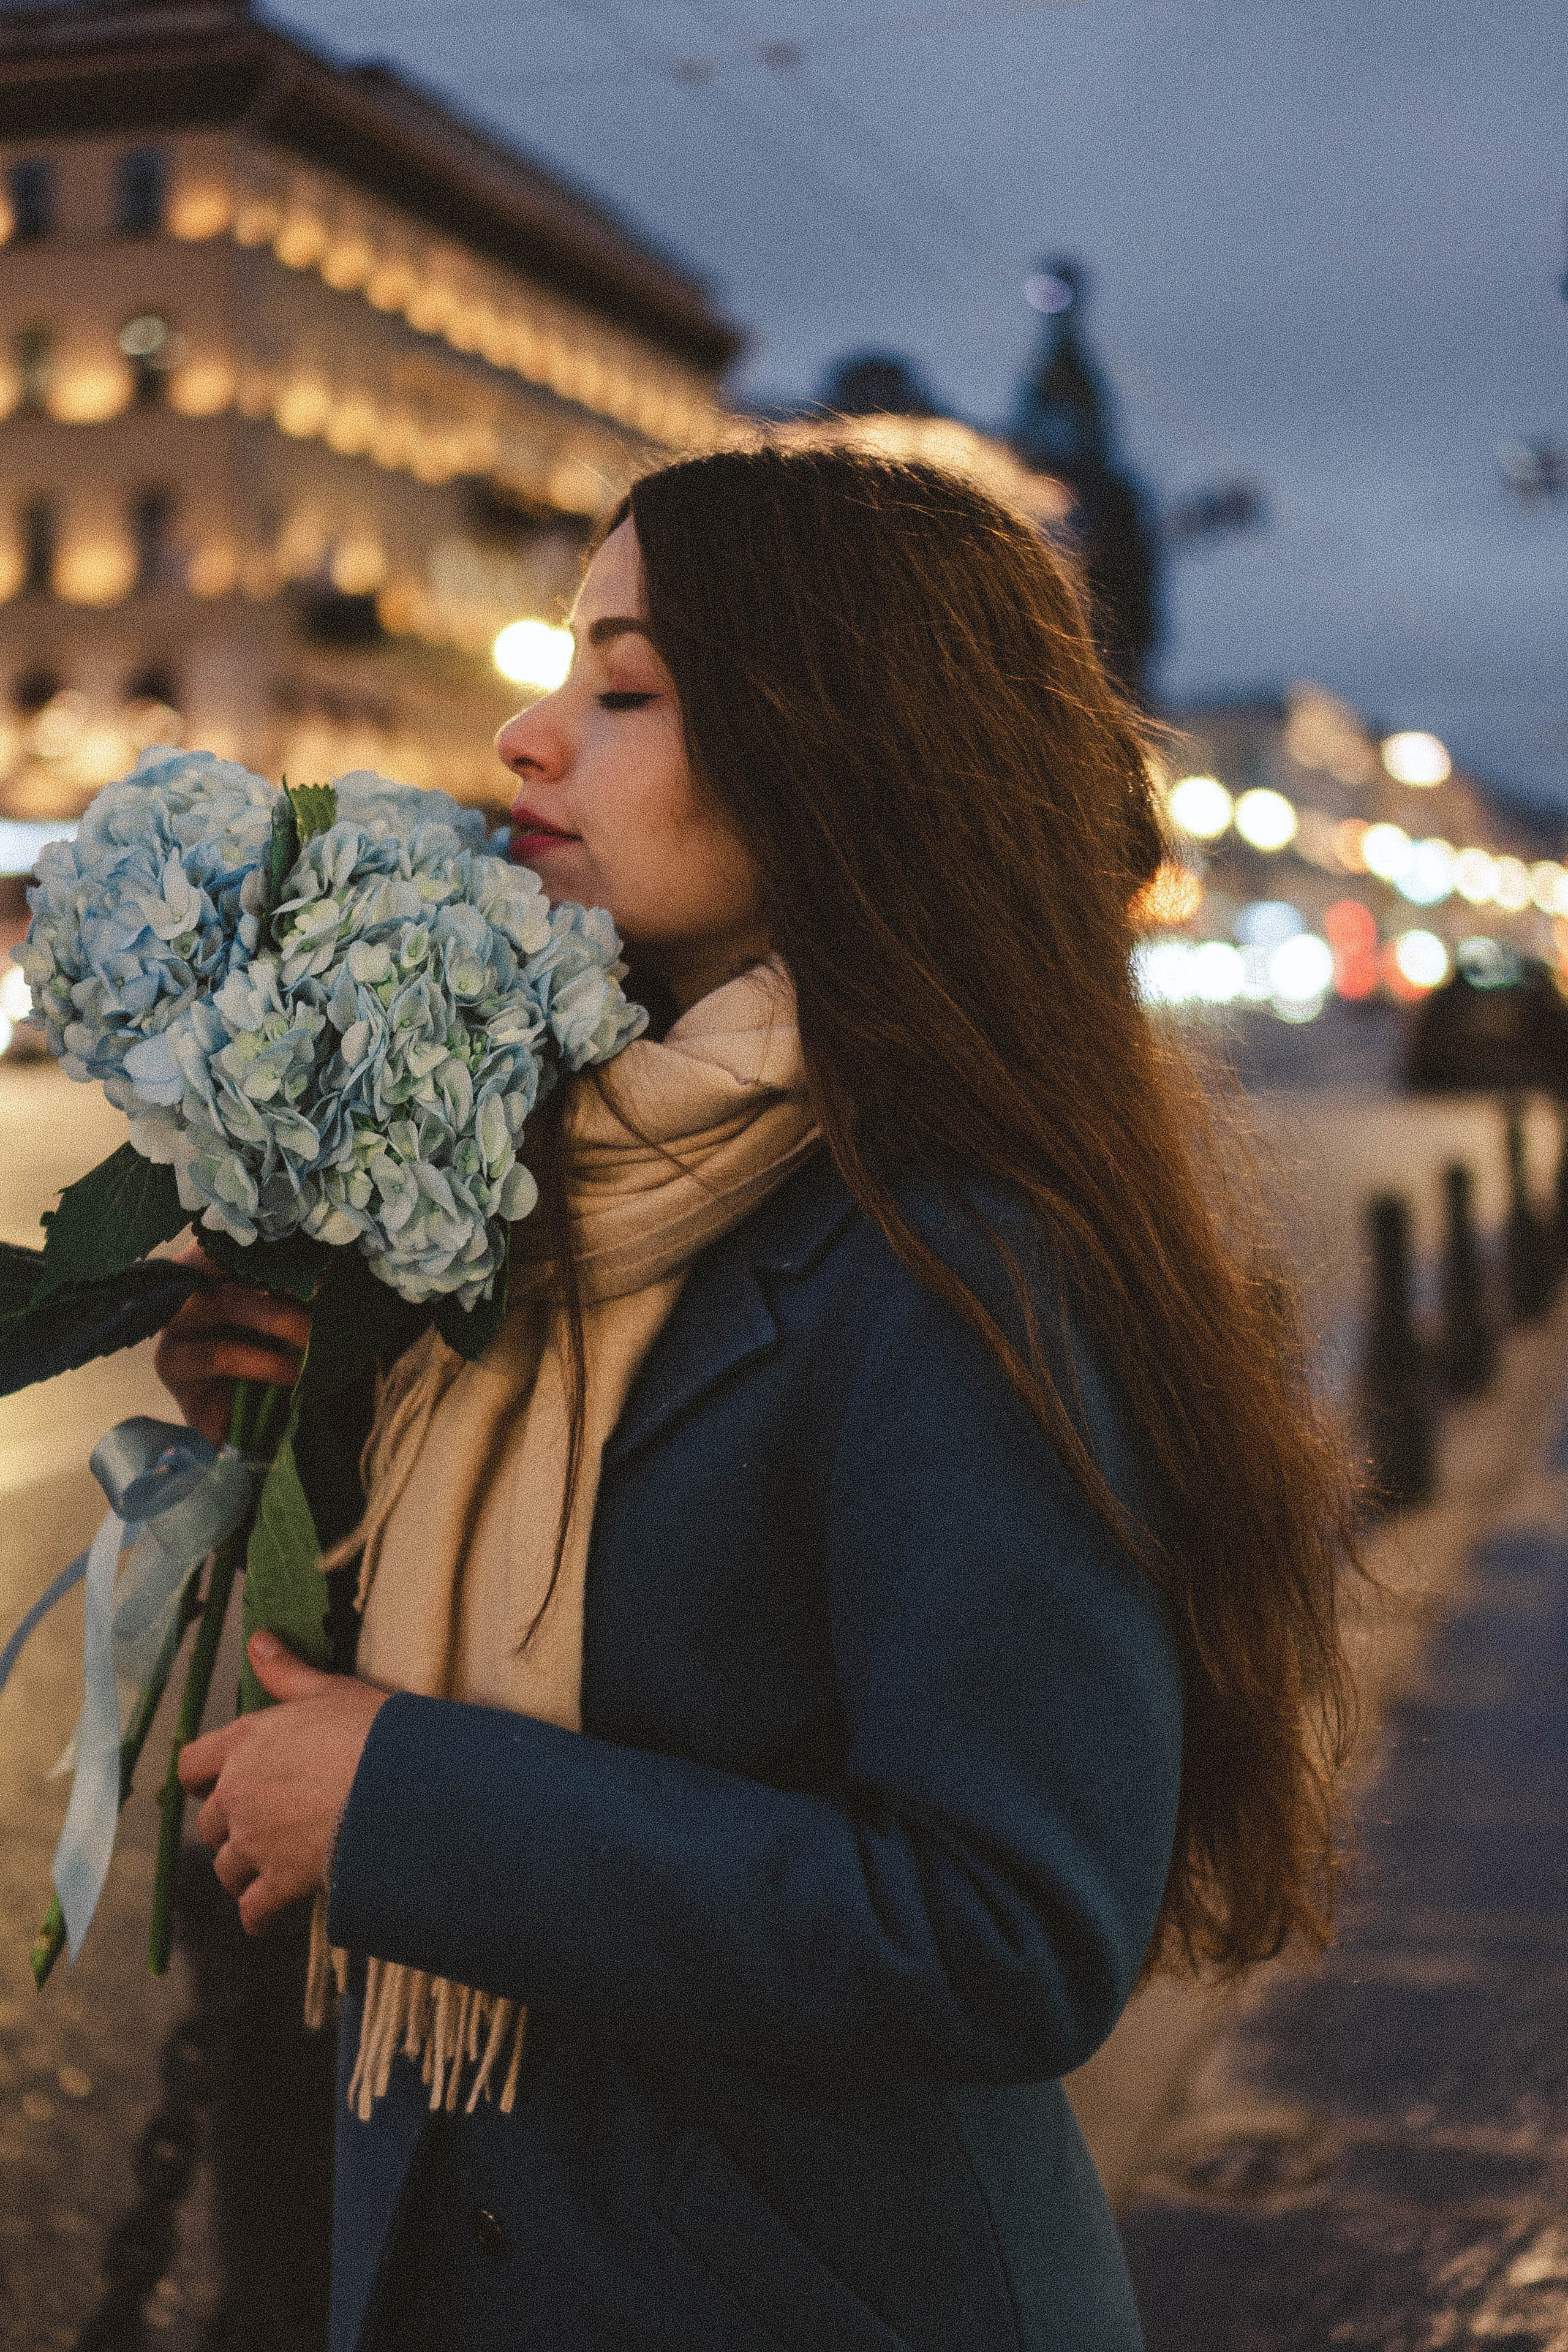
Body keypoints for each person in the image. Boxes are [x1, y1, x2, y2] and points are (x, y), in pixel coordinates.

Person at [162, 445, 1359, 2352]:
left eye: (625, 691)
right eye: (566, 673)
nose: (531, 735)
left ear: (841, 750)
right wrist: (311, 1402)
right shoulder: (572, 1178)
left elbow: (1006, 1929)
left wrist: (412, 1801)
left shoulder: (961, 1254)